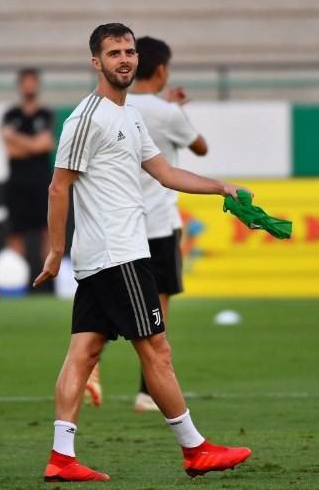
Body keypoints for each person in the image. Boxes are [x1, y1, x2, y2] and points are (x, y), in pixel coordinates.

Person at [33, 22, 251, 482]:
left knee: (84, 352)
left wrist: (221, 187)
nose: (125, 59)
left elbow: (166, 173)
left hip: (108, 255)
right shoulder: (86, 117)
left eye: (129, 51)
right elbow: (58, 186)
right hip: (119, 254)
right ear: (96, 62)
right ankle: (195, 449)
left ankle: (61, 456)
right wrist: (55, 252)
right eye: (114, 53)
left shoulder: (129, 115)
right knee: (157, 349)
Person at [125, 36, 208, 412]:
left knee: (109, 307)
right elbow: (201, 147)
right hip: (158, 225)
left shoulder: (118, 106)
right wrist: (176, 110)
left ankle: (87, 371)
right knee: (158, 313)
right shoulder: (167, 113)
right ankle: (148, 392)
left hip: (123, 224)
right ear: (161, 70)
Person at [0, 68, 55, 271]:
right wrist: (33, 144)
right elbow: (11, 151)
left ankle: (49, 278)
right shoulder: (10, 114)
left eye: (33, 82)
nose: (30, 86)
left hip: (42, 182)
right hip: (17, 183)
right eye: (26, 82)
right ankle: (15, 279)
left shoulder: (46, 114)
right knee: (15, 232)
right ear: (20, 85)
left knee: (47, 231)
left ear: (37, 85)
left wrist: (15, 137)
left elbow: (46, 144)